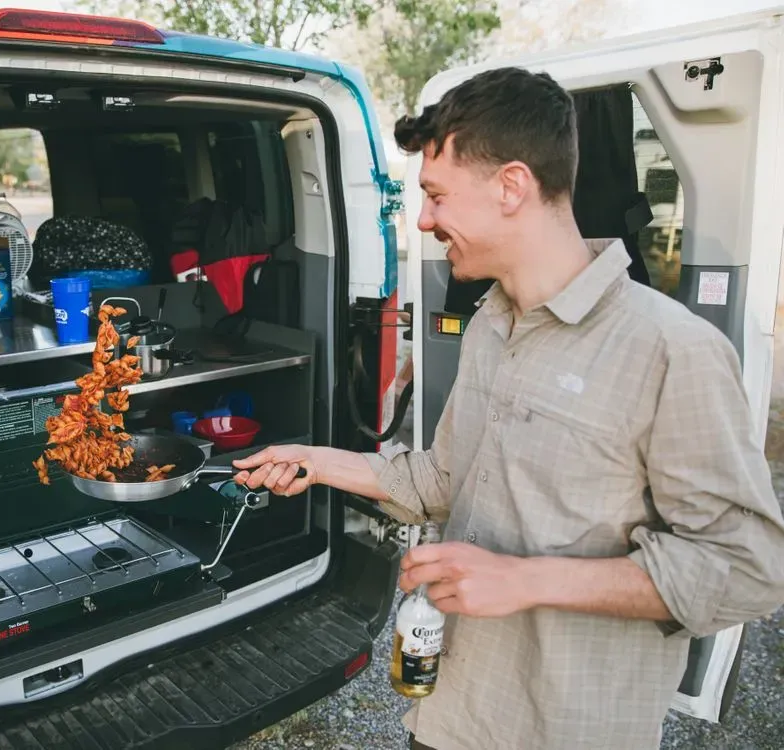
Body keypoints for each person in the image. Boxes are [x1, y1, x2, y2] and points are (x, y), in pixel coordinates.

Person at [232, 66, 784, 750]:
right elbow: (442, 480)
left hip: (563, 731)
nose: (426, 220)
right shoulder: (492, 324)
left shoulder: (672, 349)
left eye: (436, 196)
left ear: (512, 185)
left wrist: (525, 580)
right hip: (452, 715)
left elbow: (748, 567)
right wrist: (316, 461)